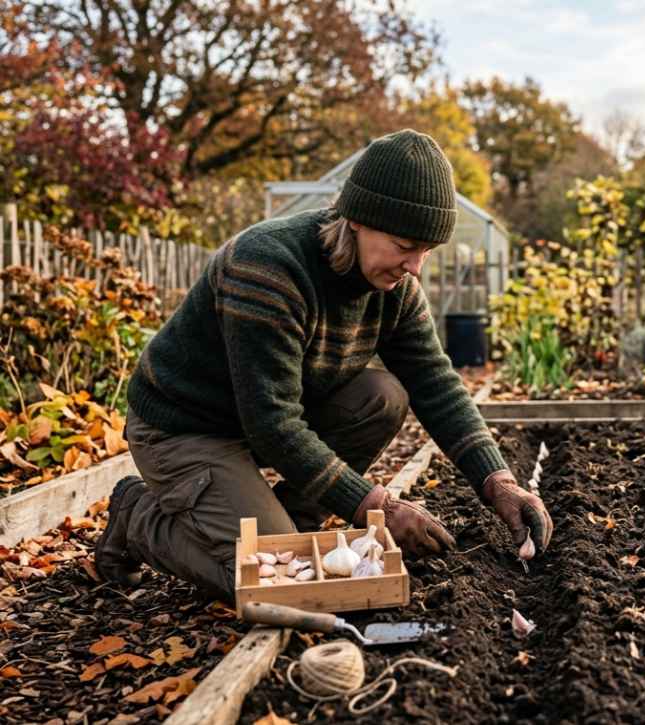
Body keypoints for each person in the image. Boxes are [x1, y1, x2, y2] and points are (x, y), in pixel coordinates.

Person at [93, 129, 554, 603]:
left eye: (427, 250)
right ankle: (137, 518)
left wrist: (499, 482)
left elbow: (435, 381)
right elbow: (273, 423)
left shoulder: (395, 290)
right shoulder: (268, 267)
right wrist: (376, 505)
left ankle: (291, 525)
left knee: (383, 396)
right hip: (186, 428)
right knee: (275, 579)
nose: (415, 266)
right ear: (356, 220)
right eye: (404, 244)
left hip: (260, 421)